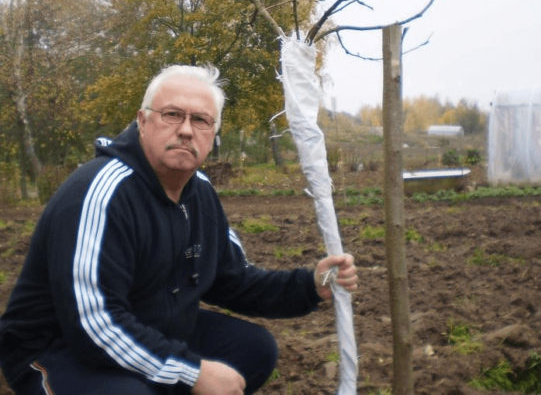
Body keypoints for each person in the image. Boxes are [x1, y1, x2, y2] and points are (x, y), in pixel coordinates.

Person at [0, 64, 358, 395]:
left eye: (201, 120)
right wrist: (192, 372)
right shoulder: (100, 193)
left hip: (149, 327)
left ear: (214, 133)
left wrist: (308, 285)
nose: (186, 130)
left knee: (252, 350)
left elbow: (233, 279)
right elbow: (95, 322)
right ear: (143, 121)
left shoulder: (200, 192)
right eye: (172, 115)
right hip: (57, 346)